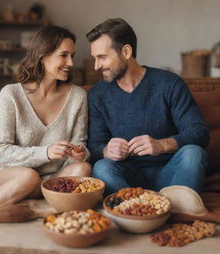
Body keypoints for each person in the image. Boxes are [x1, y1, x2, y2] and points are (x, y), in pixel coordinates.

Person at [86, 18, 209, 195]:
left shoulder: (169, 84)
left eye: (102, 57)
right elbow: (94, 146)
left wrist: (163, 145)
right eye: (95, 58)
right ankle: (139, 211)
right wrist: (106, 150)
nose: (97, 66)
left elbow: (200, 132)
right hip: (126, 178)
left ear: (126, 52)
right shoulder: (97, 94)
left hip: (171, 172)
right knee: (102, 167)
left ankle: (175, 208)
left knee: (193, 153)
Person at [0, 25, 91, 208]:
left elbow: (81, 146)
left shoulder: (78, 96)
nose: (71, 63)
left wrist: (78, 153)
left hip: (54, 178)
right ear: (42, 57)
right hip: (12, 175)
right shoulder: (11, 94)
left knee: (83, 168)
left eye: (72, 56)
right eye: (64, 55)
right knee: (28, 176)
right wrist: (46, 152)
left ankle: (32, 194)